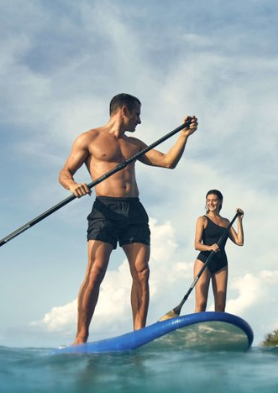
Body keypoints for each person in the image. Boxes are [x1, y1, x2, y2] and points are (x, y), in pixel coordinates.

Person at [58, 93, 198, 344]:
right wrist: (72, 185)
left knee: (142, 272)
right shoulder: (89, 138)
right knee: (95, 271)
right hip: (105, 210)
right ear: (124, 110)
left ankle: (138, 335)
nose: (140, 121)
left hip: (134, 211)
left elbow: (167, 162)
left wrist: (183, 136)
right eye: (137, 114)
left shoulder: (134, 144)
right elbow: (65, 172)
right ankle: (81, 337)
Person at [194, 190, 244, 313]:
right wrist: (209, 247)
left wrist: (239, 220)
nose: (211, 203)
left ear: (220, 202)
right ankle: (197, 332)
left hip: (221, 263)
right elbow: (196, 245)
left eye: (214, 200)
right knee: (201, 303)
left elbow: (239, 241)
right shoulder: (202, 219)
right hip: (204, 261)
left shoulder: (226, 222)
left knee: (220, 306)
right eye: (208, 200)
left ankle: (217, 332)